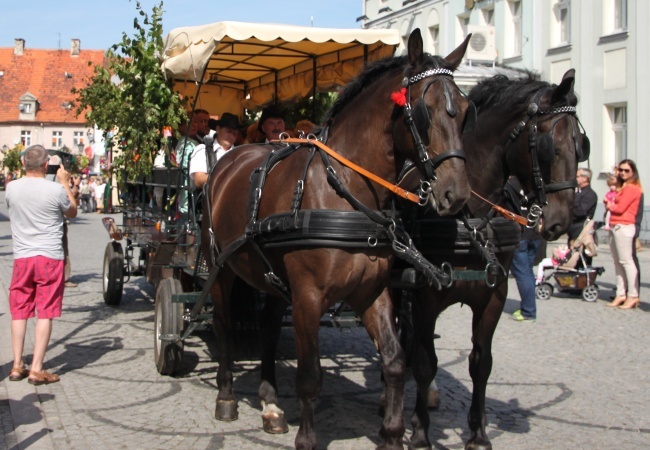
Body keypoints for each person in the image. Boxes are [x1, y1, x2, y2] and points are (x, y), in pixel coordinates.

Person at [5, 145, 77, 385]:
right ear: (47, 165)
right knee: (45, 311)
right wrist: (65, 183)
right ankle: (36, 367)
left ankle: (17, 364)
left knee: (19, 310)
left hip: (22, 256)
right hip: (49, 256)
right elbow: (72, 212)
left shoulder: (11, 187)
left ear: (24, 163)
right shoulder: (55, 189)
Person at [604, 159, 643, 309]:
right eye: (621, 170)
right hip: (615, 225)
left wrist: (609, 205)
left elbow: (620, 208)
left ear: (633, 172)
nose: (622, 173)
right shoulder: (622, 187)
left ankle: (632, 294)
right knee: (617, 262)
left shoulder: (632, 188)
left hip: (624, 226)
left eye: (626, 170)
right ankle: (621, 293)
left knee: (627, 261)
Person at [190, 112, 241, 189]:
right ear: (218, 129)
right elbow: (199, 180)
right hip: (210, 199)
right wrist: (226, 177)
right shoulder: (203, 150)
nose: (231, 136)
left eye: (235, 134)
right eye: (229, 131)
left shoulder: (240, 153)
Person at [511, 223, 543, 322]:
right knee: (528, 272)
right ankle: (528, 306)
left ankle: (528, 312)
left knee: (522, 274)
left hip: (520, 235)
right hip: (535, 234)